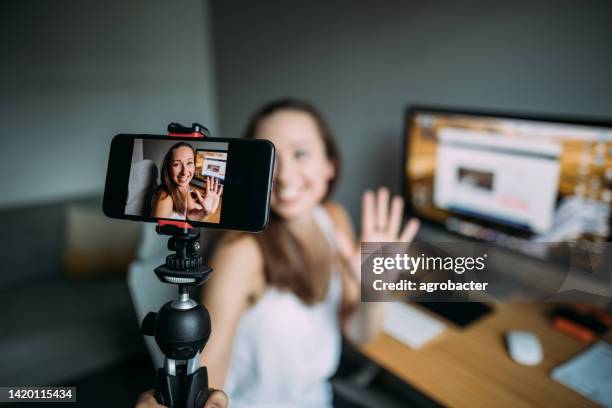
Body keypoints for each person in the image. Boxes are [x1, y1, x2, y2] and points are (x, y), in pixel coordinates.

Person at [200, 99, 419, 407]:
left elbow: (360, 334)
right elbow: (208, 374)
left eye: (300, 153)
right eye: (270, 158)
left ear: (330, 163)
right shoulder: (241, 251)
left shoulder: (334, 219)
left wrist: (373, 290)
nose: (285, 175)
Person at [150, 142, 223, 222]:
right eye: (176, 164)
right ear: (168, 168)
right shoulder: (164, 199)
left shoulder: (184, 186)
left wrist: (205, 212)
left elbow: (191, 214)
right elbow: (155, 232)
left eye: (189, 163)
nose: (184, 172)